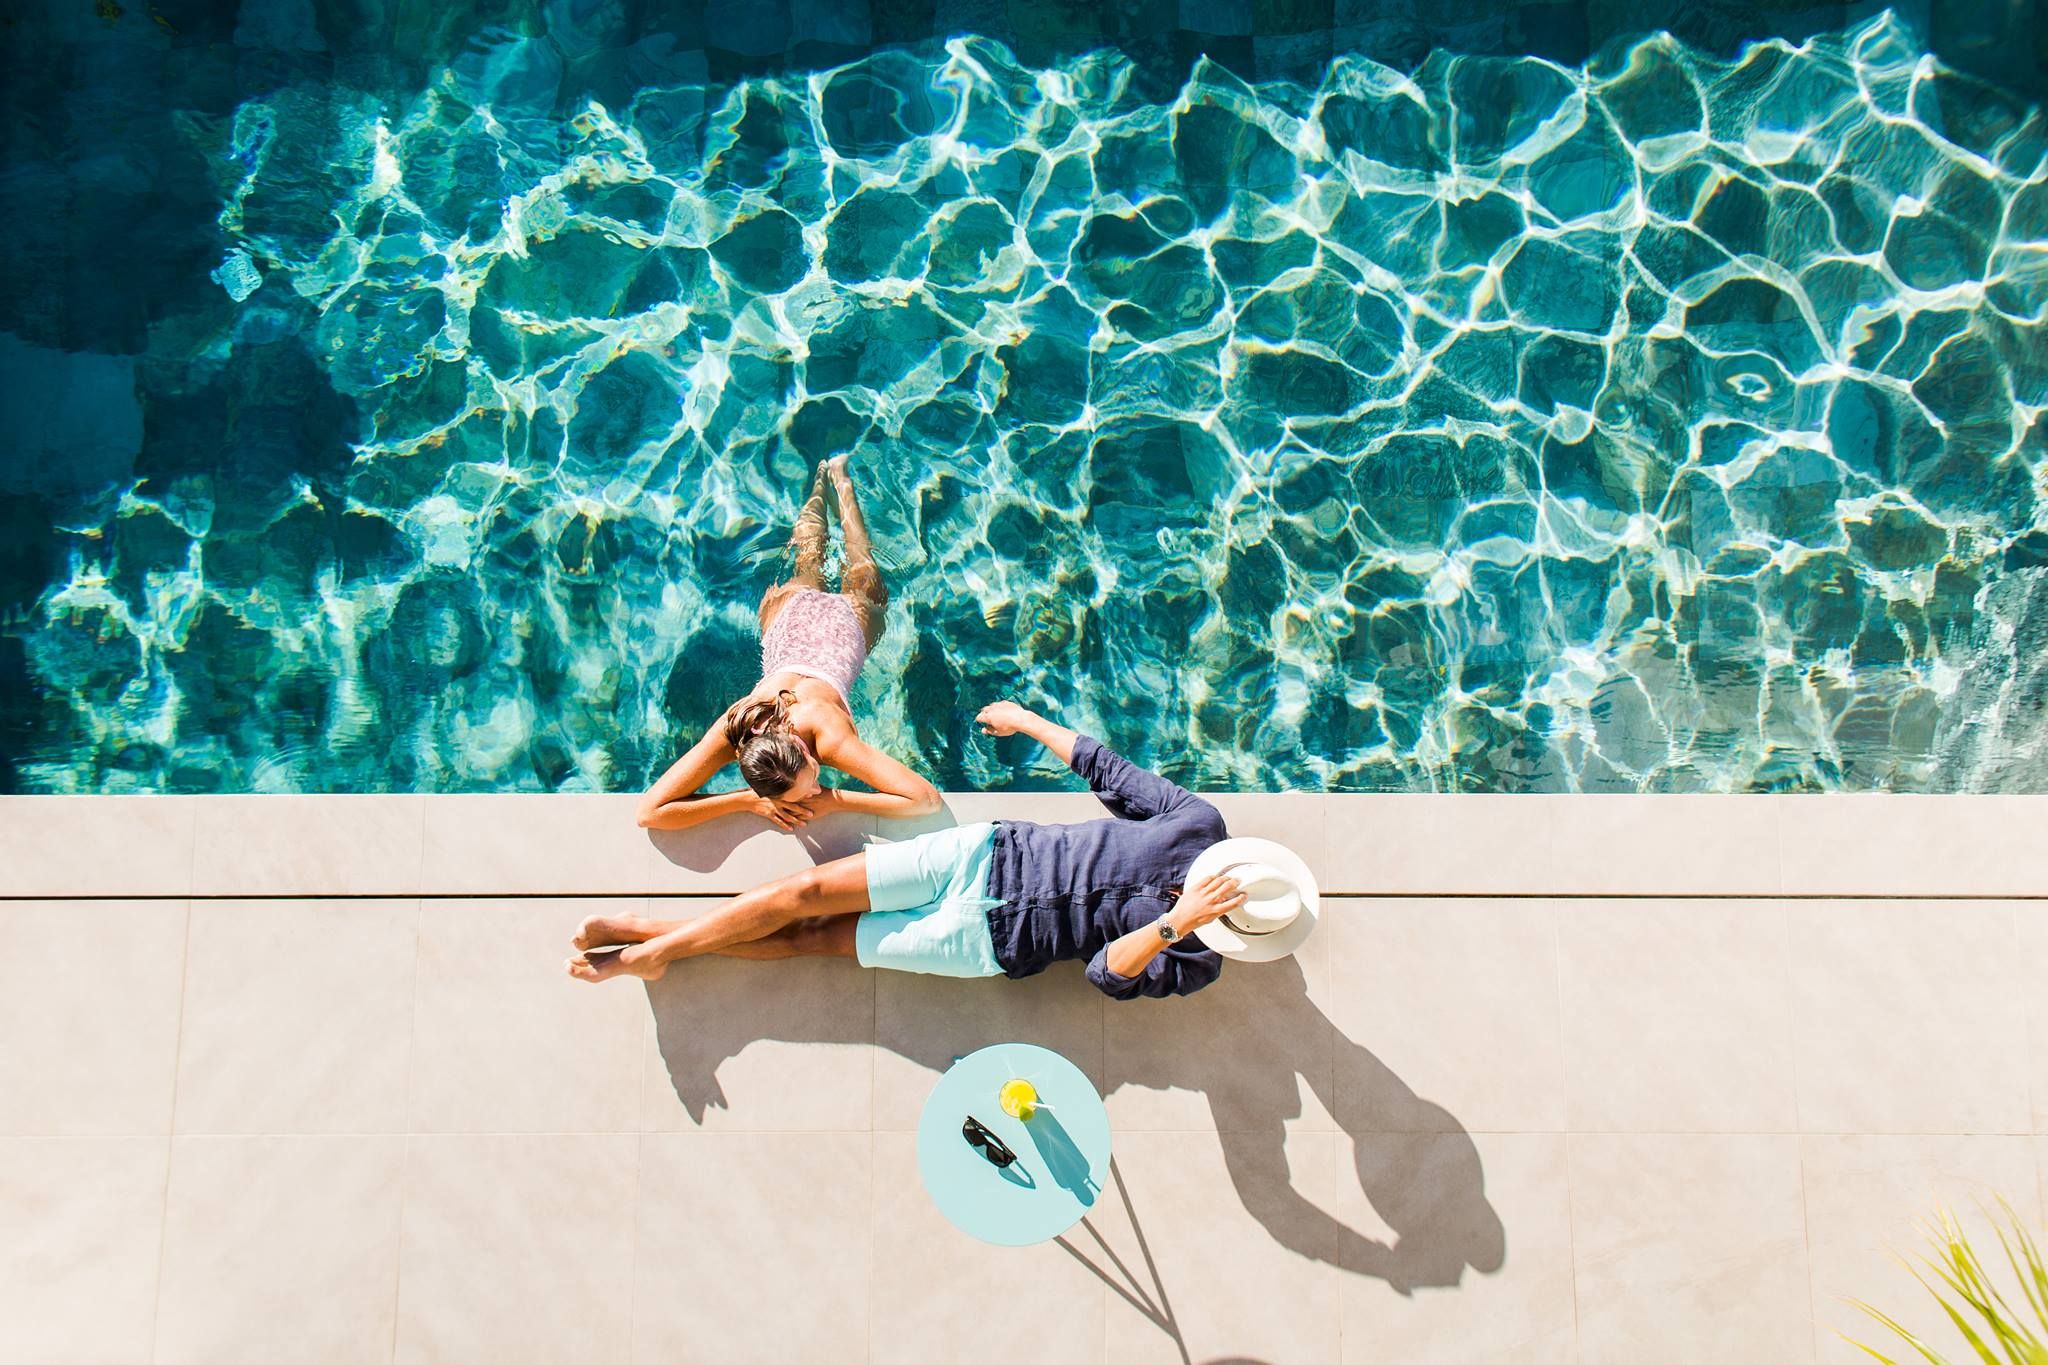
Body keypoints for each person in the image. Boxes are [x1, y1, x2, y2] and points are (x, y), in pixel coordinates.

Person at [572, 700, 1246, 999]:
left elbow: (1107, 972)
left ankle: (645, 938)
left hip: (983, 941)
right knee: (801, 895)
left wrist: (1177, 922)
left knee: (815, 938)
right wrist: (1026, 721)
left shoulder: (1201, 955)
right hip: (983, 855)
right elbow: (1108, 769)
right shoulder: (1197, 822)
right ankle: (654, 949)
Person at [637, 454, 940, 832]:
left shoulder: (827, 737)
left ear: (801, 747)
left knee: (858, 557)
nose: (815, 788)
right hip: (789, 618)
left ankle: (837, 481)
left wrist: (835, 800)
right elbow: (649, 812)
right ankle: (829, 479)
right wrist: (748, 800)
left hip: (845, 628)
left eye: (810, 777)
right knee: (811, 557)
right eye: (813, 786)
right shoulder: (739, 723)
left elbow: (926, 802)